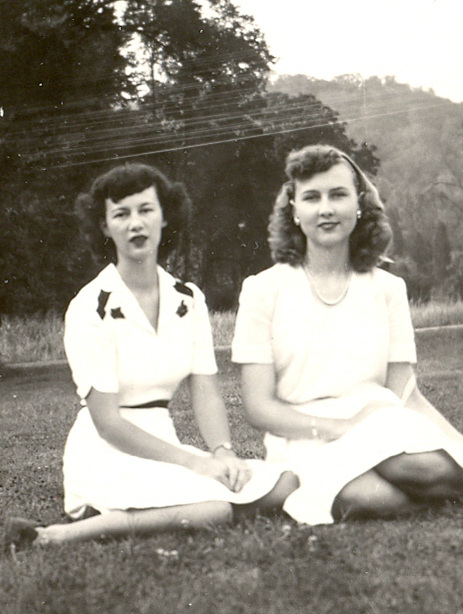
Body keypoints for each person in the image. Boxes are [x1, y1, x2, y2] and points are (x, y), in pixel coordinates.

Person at [4, 163, 296, 551]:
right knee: (213, 509)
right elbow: (107, 423)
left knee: (286, 484)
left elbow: (205, 391)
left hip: (165, 446)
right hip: (106, 452)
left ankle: (151, 511)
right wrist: (193, 464)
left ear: (165, 216)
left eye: (145, 210)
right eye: (121, 214)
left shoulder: (188, 299)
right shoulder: (90, 305)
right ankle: (54, 536)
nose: (135, 224)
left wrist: (222, 453)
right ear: (105, 227)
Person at [231, 143, 463, 525]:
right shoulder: (262, 289)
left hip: (380, 422)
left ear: (358, 204)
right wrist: (340, 429)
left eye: (338, 195)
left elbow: (406, 394)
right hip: (304, 436)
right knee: (364, 499)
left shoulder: (387, 288)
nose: (326, 209)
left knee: (424, 470)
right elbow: (258, 407)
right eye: (312, 197)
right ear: (295, 210)